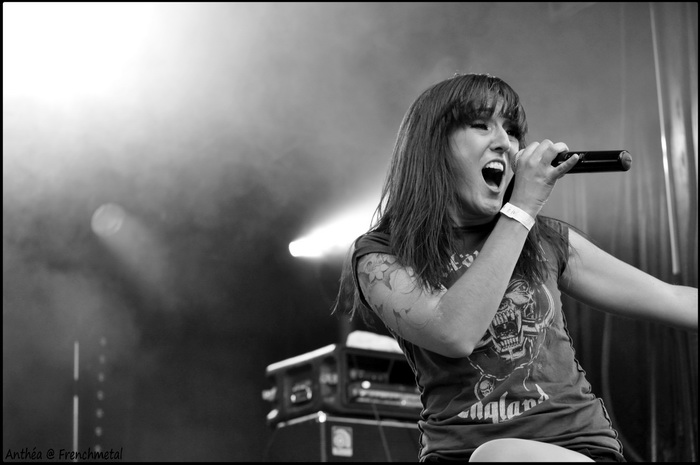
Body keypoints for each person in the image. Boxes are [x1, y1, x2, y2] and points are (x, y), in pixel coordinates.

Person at [333, 73, 698, 462]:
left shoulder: (544, 240)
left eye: (511, 131)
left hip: (575, 447)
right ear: (433, 145)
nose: (504, 143)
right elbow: (453, 333)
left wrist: (522, 214)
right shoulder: (381, 255)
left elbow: (671, 298)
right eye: (481, 125)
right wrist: (521, 209)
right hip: (456, 454)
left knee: (498, 454)